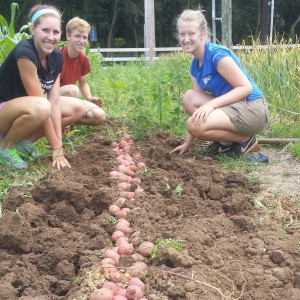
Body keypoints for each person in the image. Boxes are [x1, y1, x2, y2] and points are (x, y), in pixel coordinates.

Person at [171, 9, 269, 158]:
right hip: (232, 107)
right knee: (189, 97)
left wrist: (210, 105)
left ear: (203, 35)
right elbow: (197, 107)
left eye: (191, 33)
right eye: (182, 34)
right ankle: (224, 142)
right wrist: (187, 143)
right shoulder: (194, 65)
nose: (186, 39)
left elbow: (245, 88)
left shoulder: (217, 56)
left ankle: (245, 138)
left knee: (193, 125)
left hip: (252, 108)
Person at [0, 4, 85, 170]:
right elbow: (42, 106)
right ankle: (5, 148)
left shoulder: (57, 57)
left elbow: (54, 102)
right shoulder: (25, 53)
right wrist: (56, 149)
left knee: (76, 108)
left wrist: (58, 145)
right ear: (33, 30)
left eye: (55, 32)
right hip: (4, 112)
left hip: (24, 114)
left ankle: (20, 143)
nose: (51, 37)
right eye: (45, 30)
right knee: (41, 106)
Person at [60, 17, 106, 126]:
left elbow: (83, 82)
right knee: (72, 89)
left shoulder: (83, 59)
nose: (82, 41)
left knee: (99, 116)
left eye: (85, 37)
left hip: (71, 98)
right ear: (68, 36)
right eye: (77, 36)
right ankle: (64, 126)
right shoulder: (58, 56)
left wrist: (89, 98)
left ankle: (68, 120)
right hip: (54, 99)